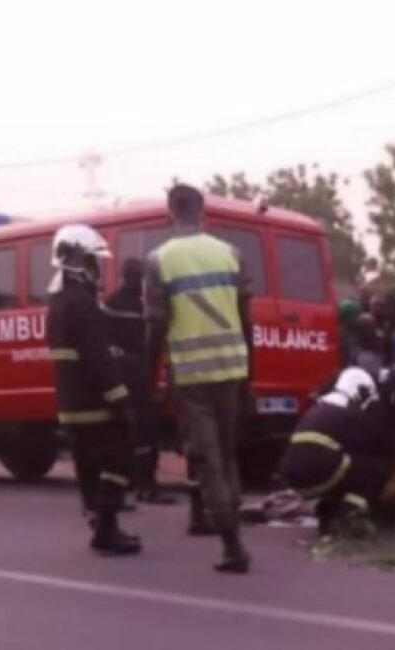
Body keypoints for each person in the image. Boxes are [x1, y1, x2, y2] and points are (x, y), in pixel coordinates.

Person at [145, 184, 251, 574]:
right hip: (232, 370)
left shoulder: (160, 261)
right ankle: (233, 537)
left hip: (193, 376)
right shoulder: (231, 254)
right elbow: (246, 320)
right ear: (203, 211)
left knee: (208, 460)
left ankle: (232, 546)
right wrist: (249, 377)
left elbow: (155, 327)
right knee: (227, 456)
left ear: (171, 212)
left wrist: (149, 380)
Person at [46, 224, 141, 556]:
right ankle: (107, 526)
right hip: (95, 403)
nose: (97, 268)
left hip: (71, 404)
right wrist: (122, 400)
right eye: (93, 260)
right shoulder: (83, 303)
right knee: (118, 457)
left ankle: (98, 523)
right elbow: (98, 360)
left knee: (87, 464)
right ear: (78, 261)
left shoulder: (57, 302)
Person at [280, 368, 395, 534]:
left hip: (294, 477)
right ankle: (349, 514)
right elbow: (377, 445)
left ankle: (327, 515)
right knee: (376, 469)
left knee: (346, 467)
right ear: (361, 391)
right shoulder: (351, 414)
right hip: (319, 468)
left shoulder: (319, 408)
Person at [105, 258, 176, 505]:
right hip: (133, 376)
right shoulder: (129, 305)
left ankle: (135, 484)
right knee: (143, 432)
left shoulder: (118, 303)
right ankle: (145, 486)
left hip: (129, 376)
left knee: (134, 433)